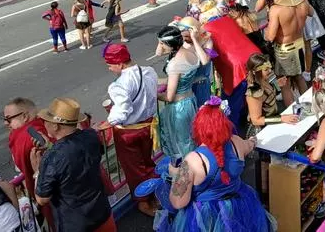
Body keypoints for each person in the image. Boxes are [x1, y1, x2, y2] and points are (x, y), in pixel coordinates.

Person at [162, 98, 276, 231]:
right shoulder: (236, 142)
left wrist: (174, 174)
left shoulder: (192, 161)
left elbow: (178, 202)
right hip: (239, 207)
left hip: (206, 218)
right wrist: (253, 140)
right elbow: (250, 145)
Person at [32, 97, 115, 231]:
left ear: (55, 125)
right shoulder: (91, 136)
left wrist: (38, 171)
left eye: (46, 121)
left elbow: (42, 199)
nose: (44, 124)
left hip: (75, 224)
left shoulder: (52, 157)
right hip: (103, 214)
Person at [102, 44, 159, 217]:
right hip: (147, 127)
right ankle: (155, 195)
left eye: (110, 65)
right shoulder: (149, 72)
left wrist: (108, 122)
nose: (109, 68)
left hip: (128, 133)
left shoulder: (118, 86)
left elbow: (122, 111)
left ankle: (144, 201)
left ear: (120, 64)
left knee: (135, 170)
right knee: (147, 163)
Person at [3, 97, 54, 229]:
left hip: (50, 196)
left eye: (9, 119)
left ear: (25, 116)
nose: (5, 123)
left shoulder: (26, 138)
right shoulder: (47, 125)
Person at [156, 26, 205, 164]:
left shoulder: (174, 64)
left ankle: (190, 170)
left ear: (170, 44)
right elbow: (181, 78)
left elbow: (169, 97)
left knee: (182, 143)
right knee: (191, 138)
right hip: (190, 100)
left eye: (162, 43)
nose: (160, 47)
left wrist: (153, 94)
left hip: (178, 108)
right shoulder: (191, 52)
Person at [264, 0, 311, 106]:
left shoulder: (276, 9)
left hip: (284, 51)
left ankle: (292, 113)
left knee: (284, 83)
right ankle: (308, 106)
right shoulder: (302, 1)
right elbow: (311, 13)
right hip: (299, 45)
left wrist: (267, 31)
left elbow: (270, 36)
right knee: (299, 77)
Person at [244, 53, 295, 137]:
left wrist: (277, 84)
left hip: (274, 121)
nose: (270, 71)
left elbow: (267, 94)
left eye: (270, 67)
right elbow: (256, 120)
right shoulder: (254, 93)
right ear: (255, 71)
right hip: (263, 131)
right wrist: (281, 118)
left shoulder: (263, 79)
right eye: (266, 69)